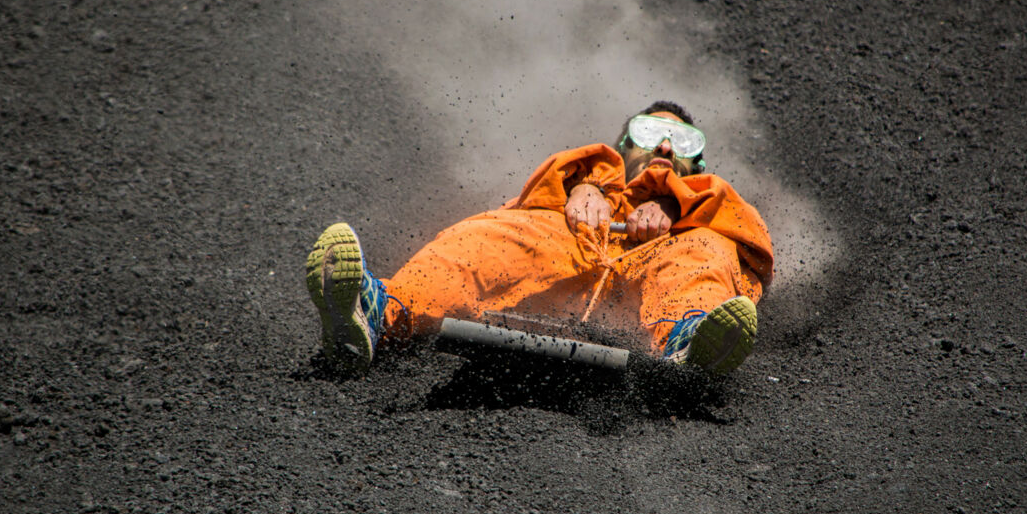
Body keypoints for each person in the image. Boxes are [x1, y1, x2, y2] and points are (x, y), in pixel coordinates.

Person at [305, 101, 773, 378]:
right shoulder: (573, 186)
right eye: (649, 133)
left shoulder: (714, 214)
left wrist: (675, 204)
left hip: (655, 282)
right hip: (569, 259)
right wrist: (586, 185)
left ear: (700, 167)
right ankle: (375, 314)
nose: (666, 147)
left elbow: (750, 241)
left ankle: (687, 343)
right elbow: (533, 197)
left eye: (683, 141)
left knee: (704, 252)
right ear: (623, 146)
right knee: (492, 235)